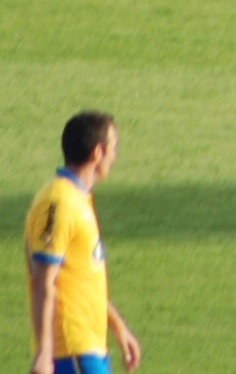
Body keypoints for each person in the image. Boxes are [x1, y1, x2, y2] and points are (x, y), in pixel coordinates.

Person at [26, 110, 139, 373]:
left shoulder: (77, 199)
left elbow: (78, 278)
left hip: (88, 346)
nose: (115, 155)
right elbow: (43, 279)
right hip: (70, 348)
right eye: (113, 147)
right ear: (97, 152)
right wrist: (44, 352)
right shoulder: (58, 202)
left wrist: (117, 325)